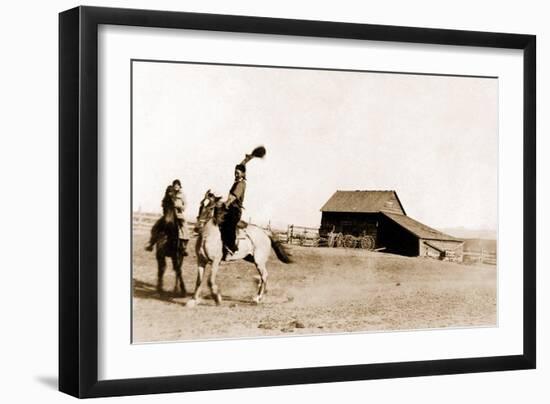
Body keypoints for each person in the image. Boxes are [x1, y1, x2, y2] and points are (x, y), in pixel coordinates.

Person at [145, 180, 189, 255]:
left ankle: (183, 247)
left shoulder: (182, 195)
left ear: (179, 186)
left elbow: (184, 206)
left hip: (178, 215)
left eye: (177, 185)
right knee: (156, 226)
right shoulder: (170, 192)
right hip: (168, 215)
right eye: (175, 185)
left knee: (184, 227)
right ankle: (151, 243)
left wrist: (178, 206)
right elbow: (164, 203)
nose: (176, 186)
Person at [220, 163, 247, 258]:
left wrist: (226, 204)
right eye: (235, 172)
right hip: (230, 207)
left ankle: (231, 247)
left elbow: (234, 197)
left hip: (235, 210)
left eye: (238, 173)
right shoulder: (236, 182)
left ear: (243, 173)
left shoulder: (241, 184)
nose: (236, 174)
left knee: (229, 223)